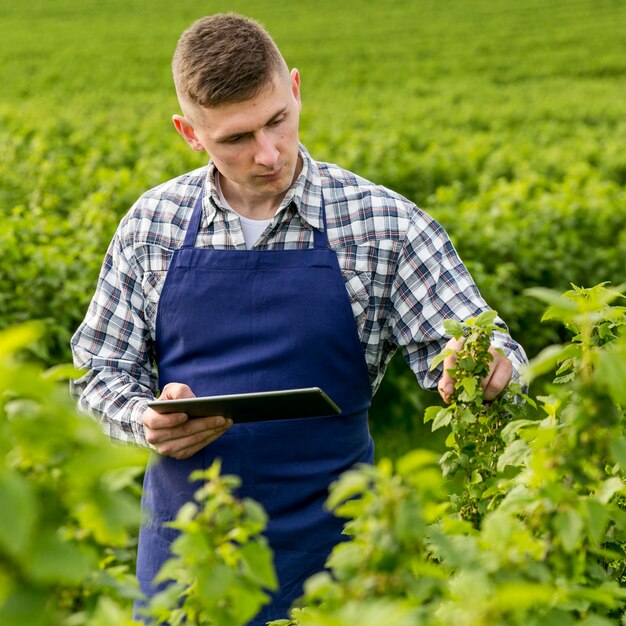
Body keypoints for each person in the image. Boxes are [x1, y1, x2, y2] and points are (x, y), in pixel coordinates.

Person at [70, 12, 528, 625]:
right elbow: (96, 370)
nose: (268, 153)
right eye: (236, 138)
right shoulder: (151, 226)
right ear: (190, 133)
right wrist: (142, 417)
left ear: (295, 88)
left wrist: (486, 366)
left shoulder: (382, 224)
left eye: (278, 121)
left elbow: (483, 340)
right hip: (190, 561)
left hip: (341, 564)